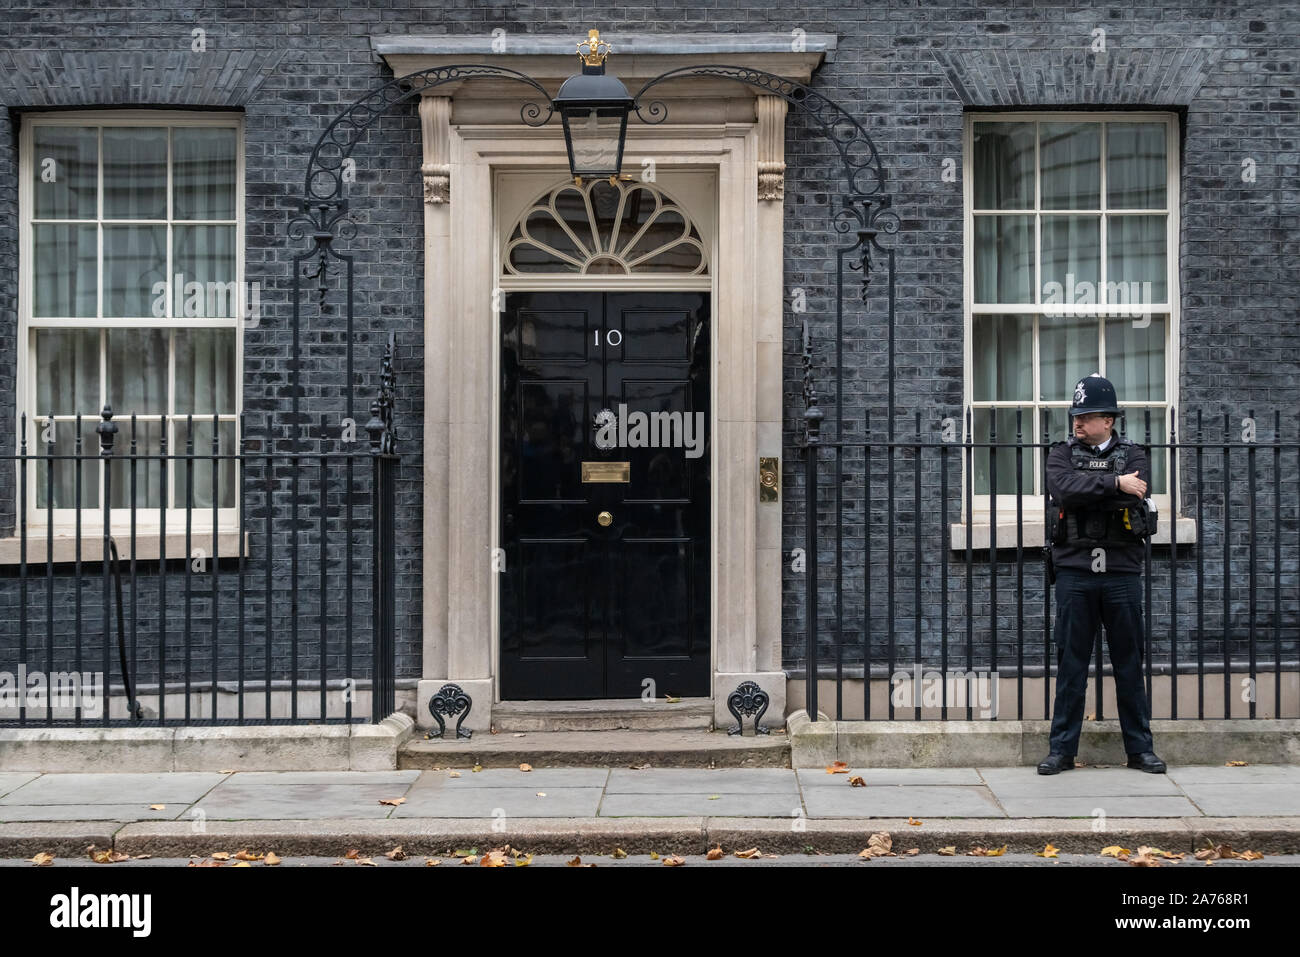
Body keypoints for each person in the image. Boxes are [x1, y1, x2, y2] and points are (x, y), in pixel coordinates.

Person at [1039, 373, 1165, 775]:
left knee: (1129, 663)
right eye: (1075, 416)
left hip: (1121, 573)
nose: (1077, 423)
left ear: (1108, 420)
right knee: (1071, 665)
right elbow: (1064, 490)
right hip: (1075, 571)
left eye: (1086, 416)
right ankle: (1062, 752)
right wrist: (1114, 483)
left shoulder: (1136, 455)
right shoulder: (1060, 454)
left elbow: (1138, 490)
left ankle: (1140, 751)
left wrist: (1098, 490)